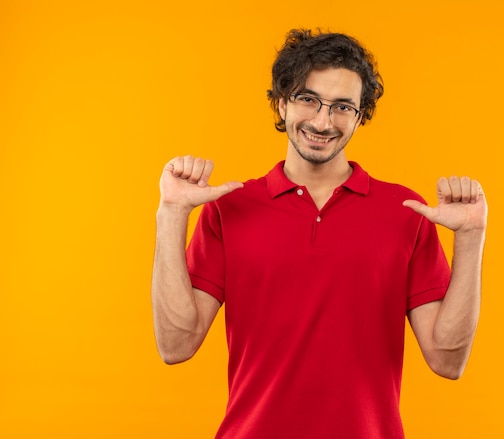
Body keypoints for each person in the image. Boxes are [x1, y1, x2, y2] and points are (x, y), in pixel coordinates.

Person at [152, 29, 487, 439]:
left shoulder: (406, 213)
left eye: (342, 106)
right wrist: (171, 214)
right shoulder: (229, 208)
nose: (323, 121)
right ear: (281, 102)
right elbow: (175, 346)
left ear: (360, 115)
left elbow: (447, 361)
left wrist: (470, 238)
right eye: (307, 99)